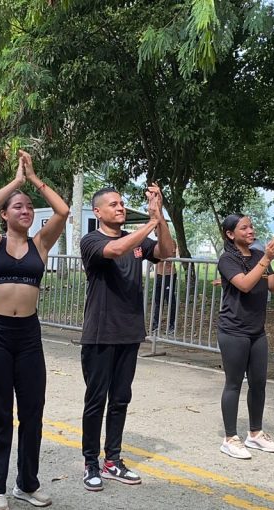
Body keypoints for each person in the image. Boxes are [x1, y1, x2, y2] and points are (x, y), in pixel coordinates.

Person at [0, 151, 68, 510]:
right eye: (18, 206)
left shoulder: (40, 244)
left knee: (32, 412)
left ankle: (27, 484)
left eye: (29, 207)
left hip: (28, 335)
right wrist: (15, 181)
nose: (26, 210)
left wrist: (34, 180)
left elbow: (62, 211)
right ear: (5, 214)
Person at [79, 183, 176, 491]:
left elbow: (167, 252)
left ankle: (113, 460)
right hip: (100, 334)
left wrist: (159, 217)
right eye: (113, 204)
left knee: (120, 399)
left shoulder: (138, 241)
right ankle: (91, 462)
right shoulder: (92, 240)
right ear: (98, 212)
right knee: (96, 400)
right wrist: (149, 222)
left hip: (129, 332)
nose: (120, 207)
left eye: (121, 203)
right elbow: (115, 250)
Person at [216, 215, 274, 459]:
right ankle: (230, 438)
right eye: (244, 228)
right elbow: (245, 284)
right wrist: (267, 259)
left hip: (256, 331)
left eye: (251, 226)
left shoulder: (258, 255)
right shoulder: (227, 259)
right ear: (230, 234)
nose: (251, 230)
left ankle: (255, 433)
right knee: (234, 383)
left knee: (259, 382)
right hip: (233, 330)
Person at [151, 257, 178, 333]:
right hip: (158, 274)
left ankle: (171, 324)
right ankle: (156, 323)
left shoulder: (171, 247)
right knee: (158, 300)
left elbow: (171, 255)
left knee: (170, 300)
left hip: (169, 274)